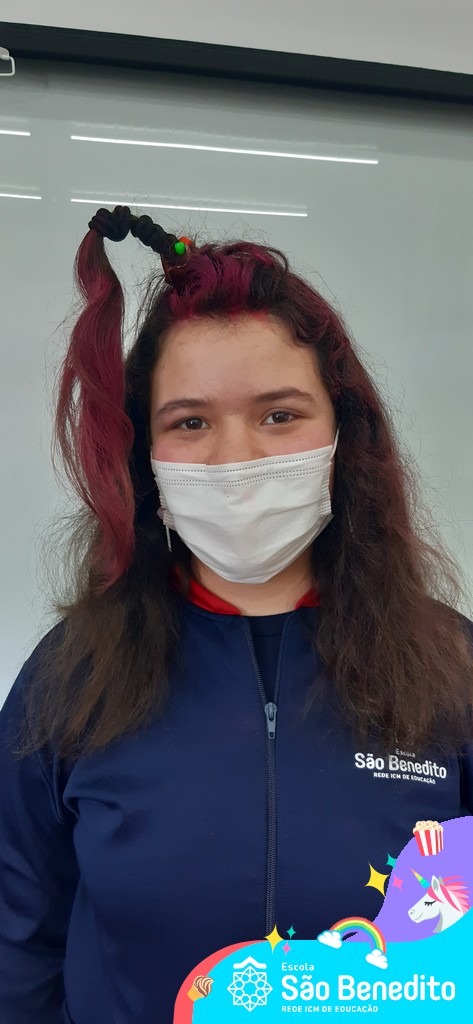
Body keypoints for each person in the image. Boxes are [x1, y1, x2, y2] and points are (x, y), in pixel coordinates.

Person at [1, 205, 472, 1024]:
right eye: (190, 422)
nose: (236, 459)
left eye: (278, 415)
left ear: (342, 435)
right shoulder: (73, 675)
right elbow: (17, 939)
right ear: (145, 454)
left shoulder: (448, 666)